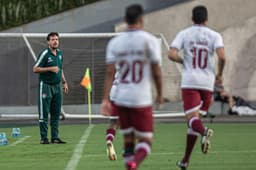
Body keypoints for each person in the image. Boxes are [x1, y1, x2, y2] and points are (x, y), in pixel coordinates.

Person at [100, 4, 163, 170]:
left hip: (120, 96)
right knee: (146, 141)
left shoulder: (115, 43)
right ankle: (133, 165)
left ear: (125, 20)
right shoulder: (150, 41)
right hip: (140, 97)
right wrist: (160, 94)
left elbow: (109, 72)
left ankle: (128, 162)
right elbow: (157, 72)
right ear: (142, 19)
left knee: (128, 140)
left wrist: (105, 99)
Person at [168, 5, 226, 170]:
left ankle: (205, 131)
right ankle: (185, 161)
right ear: (206, 19)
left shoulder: (185, 33)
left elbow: (171, 54)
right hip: (207, 83)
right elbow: (222, 56)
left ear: (192, 19)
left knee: (192, 121)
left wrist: (182, 61)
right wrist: (220, 74)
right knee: (195, 121)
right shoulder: (215, 35)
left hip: (190, 81)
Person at [33, 32, 68, 144]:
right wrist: (49, 69)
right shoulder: (45, 54)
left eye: (57, 39)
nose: (55, 41)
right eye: (52, 39)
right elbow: (35, 69)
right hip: (45, 86)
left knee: (56, 113)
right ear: (48, 42)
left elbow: (60, 69)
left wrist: (64, 82)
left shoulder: (60, 54)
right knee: (44, 113)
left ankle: (55, 137)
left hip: (57, 87)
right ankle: (44, 138)